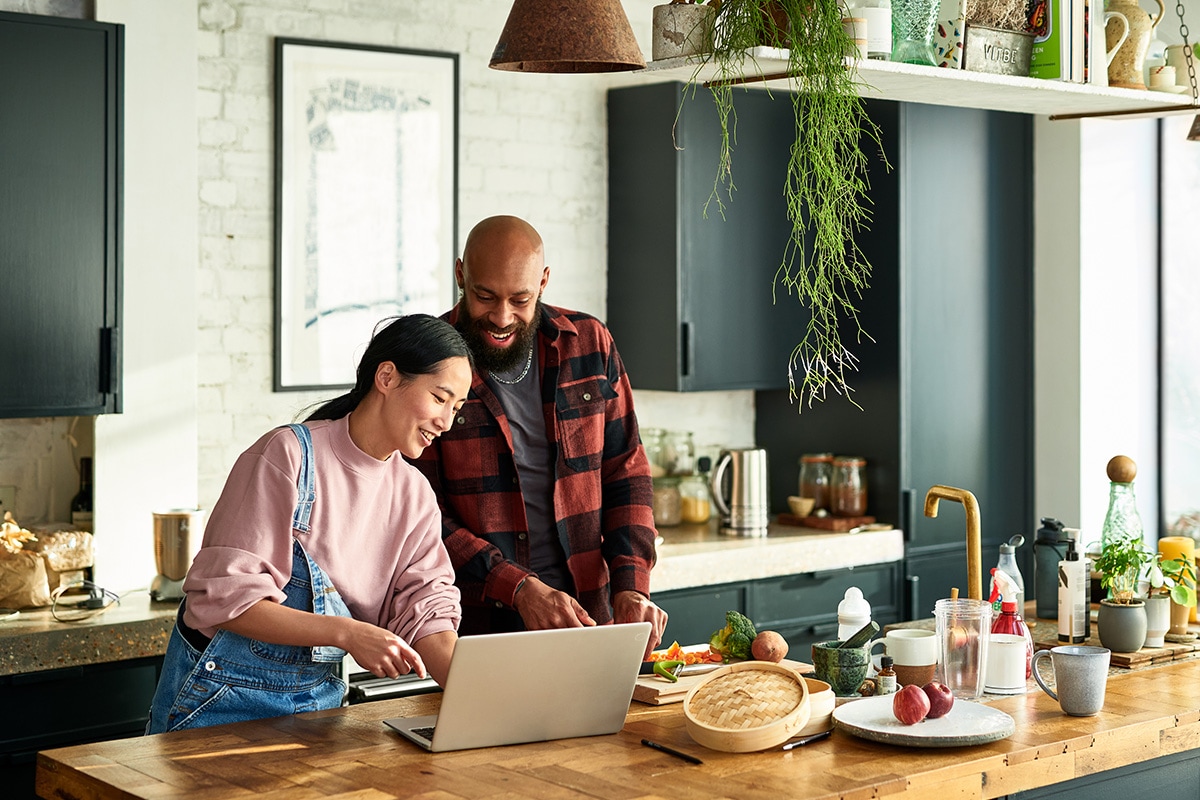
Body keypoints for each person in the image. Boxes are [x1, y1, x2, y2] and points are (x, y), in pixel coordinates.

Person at [146, 314, 472, 734]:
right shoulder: (288, 456)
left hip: (319, 709)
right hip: (217, 706)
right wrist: (348, 634)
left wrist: (483, 701)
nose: (446, 421)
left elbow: (427, 612)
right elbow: (225, 600)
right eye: (440, 398)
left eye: (457, 408)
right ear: (387, 377)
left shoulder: (415, 496)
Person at [410, 215, 667, 656]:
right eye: (484, 296)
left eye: (520, 299)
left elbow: (626, 471)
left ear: (544, 282)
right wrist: (519, 588)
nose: (502, 316)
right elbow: (420, 512)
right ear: (460, 275)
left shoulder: (590, 344)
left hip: (589, 616)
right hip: (479, 627)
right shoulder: (429, 362)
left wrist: (631, 586)